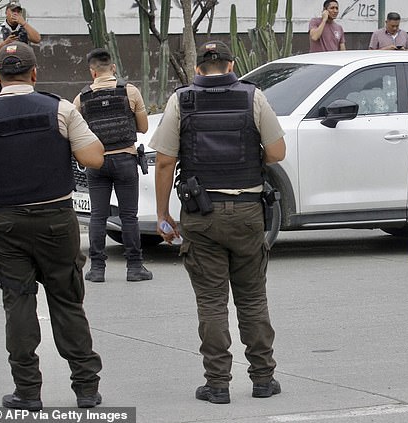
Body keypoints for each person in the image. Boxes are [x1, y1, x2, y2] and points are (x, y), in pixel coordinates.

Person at [150, 40, 286, 404]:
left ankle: (218, 384)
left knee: (211, 303)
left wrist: (163, 215)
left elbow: (164, 161)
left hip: (201, 215)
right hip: (246, 213)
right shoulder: (252, 97)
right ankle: (262, 379)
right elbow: (276, 152)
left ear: (198, 69)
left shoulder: (182, 100)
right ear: (231, 65)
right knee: (253, 298)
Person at [0, 42, 105, 410]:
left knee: (18, 304)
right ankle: (86, 389)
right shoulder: (60, 108)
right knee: (68, 302)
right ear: (34, 73)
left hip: (4, 223)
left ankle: (27, 392)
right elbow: (94, 157)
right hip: (56, 220)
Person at [72, 48, 152, 283]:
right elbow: (144, 127)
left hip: (96, 163)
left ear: (92, 71)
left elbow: (74, 131)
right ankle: (135, 268)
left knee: (97, 216)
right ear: (113, 68)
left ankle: (97, 270)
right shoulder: (130, 91)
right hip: (126, 160)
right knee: (129, 216)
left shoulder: (82, 97)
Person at [0, 1, 41, 94]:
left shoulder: (24, 29)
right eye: (13, 11)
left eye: (18, 11)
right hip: (4, 73)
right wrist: (4, 44)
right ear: (6, 12)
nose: (15, 13)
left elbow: (37, 39)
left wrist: (24, 23)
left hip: (23, 73)